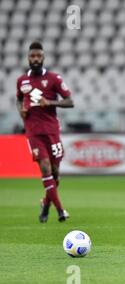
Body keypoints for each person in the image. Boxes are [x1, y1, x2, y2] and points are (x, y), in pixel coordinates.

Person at [16, 41, 74, 223]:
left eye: (38, 56)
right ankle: (60, 210)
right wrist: (21, 110)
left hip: (52, 131)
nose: (35, 59)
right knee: (45, 168)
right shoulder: (22, 81)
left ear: (43, 57)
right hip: (33, 132)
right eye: (32, 56)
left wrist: (50, 103)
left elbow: (70, 101)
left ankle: (46, 203)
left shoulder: (54, 79)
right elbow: (19, 99)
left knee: (55, 174)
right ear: (28, 57)